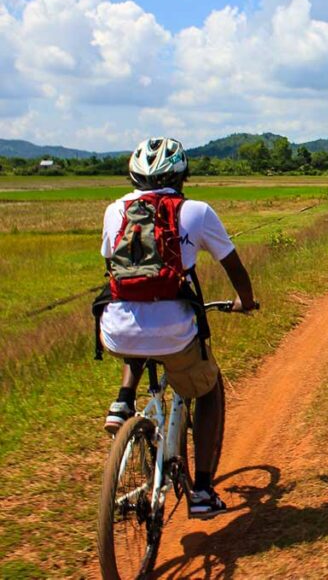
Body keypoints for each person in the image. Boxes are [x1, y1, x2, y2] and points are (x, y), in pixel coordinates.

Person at [95, 137, 258, 518]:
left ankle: (123, 400)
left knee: (136, 325)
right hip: (174, 331)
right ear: (182, 176)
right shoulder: (197, 211)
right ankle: (201, 491)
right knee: (209, 389)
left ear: (134, 176)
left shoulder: (114, 211)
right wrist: (245, 301)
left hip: (116, 326)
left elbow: (114, 267)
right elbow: (233, 266)